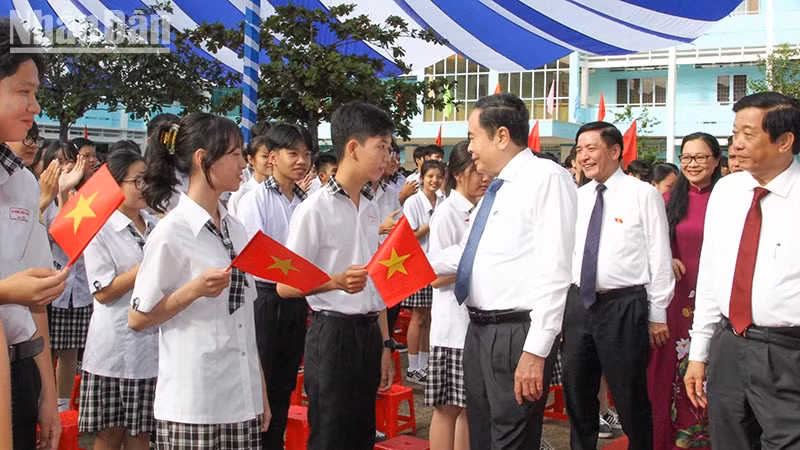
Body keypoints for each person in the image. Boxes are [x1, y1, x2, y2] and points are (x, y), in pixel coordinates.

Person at [430, 93, 576, 449]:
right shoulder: (497, 188)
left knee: (511, 437)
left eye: (473, 136)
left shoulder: (546, 178)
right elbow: (467, 253)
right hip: (479, 332)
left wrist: (536, 350)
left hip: (515, 334)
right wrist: (401, 263)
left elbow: (557, 270)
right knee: (482, 434)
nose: (470, 147)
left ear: (501, 136)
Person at [128, 112, 267, 449]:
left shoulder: (236, 228)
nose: (243, 165)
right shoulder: (171, 232)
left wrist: (259, 390)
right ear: (203, 159)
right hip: (193, 404)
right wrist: (192, 291)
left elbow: (244, 318)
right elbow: (137, 317)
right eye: (235, 155)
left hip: (240, 398)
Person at [276, 101, 394, 450]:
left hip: (369, 333)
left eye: (389, 147)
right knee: (330, 435)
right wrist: (334, 282)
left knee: (362, 434)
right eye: (382, 146)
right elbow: (285, 286)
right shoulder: (315, 208)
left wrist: (386, 344)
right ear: (353, 148)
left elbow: (377, 284)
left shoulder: (372, 208)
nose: (388, 156)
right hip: (333, 335)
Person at [685, 92, 800, 449]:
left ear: (784, 141)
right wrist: (699, 352)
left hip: (787, 352)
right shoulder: (729, 190)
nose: (736, 145)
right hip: (729, 344)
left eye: (748, 135)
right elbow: (711, 275)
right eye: (734, 134)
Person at [564, 121, 674, 450]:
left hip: (623, 306)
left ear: (614, 151)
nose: (583, 156)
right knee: (577, 392)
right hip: (578, 305)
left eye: (591, 148)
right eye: (579, 149)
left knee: (629, 395)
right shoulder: (577, 197)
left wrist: (658, 314)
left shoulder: (643, 195)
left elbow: (659, 254)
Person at [0, 18, 68, 448]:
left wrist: (46, 390)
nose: (35, 107)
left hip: (19, 367)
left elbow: (36, 297)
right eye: (23, 92)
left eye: (36, 94)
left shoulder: (23, 182)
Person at [234, 123, 312, 449]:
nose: (301, 161)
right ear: (272, 157)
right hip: (265, 300)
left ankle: (274, 441)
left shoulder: (307, 200)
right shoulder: (256, 199)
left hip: (297, 298)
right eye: (292, 153)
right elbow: (255, 254)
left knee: (284, 381)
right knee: (260, 379)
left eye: (306, 154)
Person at [79, 149, 159, 449]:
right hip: (113, 350)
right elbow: (103, 290)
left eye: (147, 179)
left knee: (141, 433)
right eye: (137, 180)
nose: (145, 187)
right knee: (109, 433)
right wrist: (148, 266)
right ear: (115, 185)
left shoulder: (155, 225)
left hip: (150, 350)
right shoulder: (100, 228)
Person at [647, 133, 721, 450]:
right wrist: (668, 256)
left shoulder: (728, 198)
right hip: (676, 300)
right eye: (686, 157)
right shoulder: (666, 201)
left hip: (717, 298)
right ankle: (667, 439)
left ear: (717, 160)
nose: (692, 164)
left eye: (700, 157)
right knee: (669, 371)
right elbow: (648, 246)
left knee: (714, 368)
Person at [426, 141, 489, 450]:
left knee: (469, 407)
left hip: (472, 325)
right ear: (458, 174)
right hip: (451, 328)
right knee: (446, 409)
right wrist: (478, 269)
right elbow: (434, 277)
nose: (484, 177)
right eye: (476, 171)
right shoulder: (447, 213)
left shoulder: (478, 210)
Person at [41, 140, 94, 412]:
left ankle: (63, 406)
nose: (65, 167)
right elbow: (55, 234)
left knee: (71, 348)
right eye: (59, 161)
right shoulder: (41, 196)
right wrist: (59, 196)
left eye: (70, 162)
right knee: (46, 349)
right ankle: (43, 400)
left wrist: (66, 195)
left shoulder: (85, 196)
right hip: (50, 285)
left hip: (78, 286)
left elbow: (80, 238)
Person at [402, 159, 444, 384]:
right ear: (422, 177)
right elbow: (409, 237)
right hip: (417, 265)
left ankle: (425, 365)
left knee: (429, 318)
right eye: (430, 176)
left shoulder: (442, 200)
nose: (434, 181)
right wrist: (432, 222)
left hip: (436, 265)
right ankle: (413, 366)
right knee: (417, 317)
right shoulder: (413, 203)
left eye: (438, 176)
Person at [227, 135, 271, 217]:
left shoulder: (280, 192)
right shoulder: (241, 194)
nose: (270, 161)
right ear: (251, 160)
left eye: (272, 156)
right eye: (265, 156)